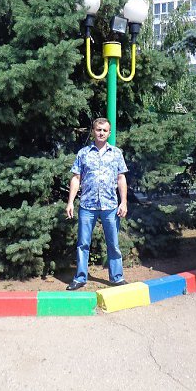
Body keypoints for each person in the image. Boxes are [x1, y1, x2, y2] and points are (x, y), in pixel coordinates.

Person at [66, 117, 128, 290]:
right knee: (83, 243)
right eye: (98, 130)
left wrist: (123, 202)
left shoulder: (116, 153)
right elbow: (76, 178)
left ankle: (117, 278)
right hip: (87, 205)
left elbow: (121, 178)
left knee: (113, 244)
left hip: (110, 206)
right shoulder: (83, 153)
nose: (101, 133)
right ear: (93, 131)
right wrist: (70, 202)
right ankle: (80, 278)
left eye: (104, 130)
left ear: (109, 133)